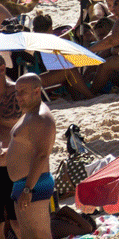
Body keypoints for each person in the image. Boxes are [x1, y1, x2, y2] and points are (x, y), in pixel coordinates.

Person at [7, 74, 55, 239]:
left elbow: (42, 154)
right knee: (28, 235)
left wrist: (28, 189)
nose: (18, 96)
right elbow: (25, 149)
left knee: (39, 236)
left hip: (34, 184)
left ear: (37, 91)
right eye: (17, 91)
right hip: (24, 184)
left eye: (23, 92)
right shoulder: (29, 114)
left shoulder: (41, 117)